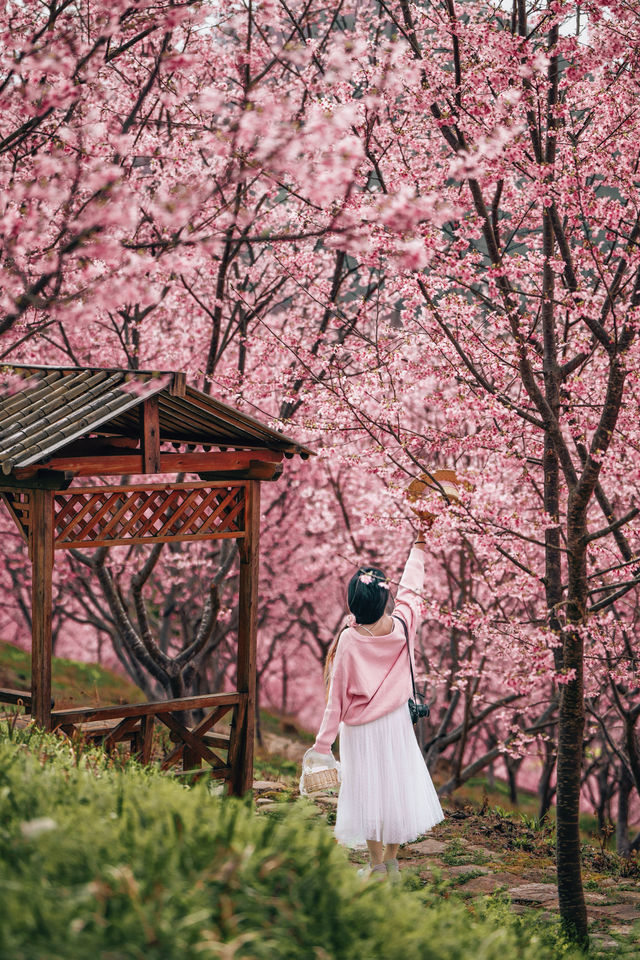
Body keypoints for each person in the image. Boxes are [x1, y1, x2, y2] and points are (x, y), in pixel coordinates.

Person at [306, 534, 444, 880]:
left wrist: (322, 746)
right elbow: (412, 588)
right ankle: (393, 864)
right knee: (396, 787)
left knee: (367, 791)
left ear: (353, 603)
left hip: (360, 729)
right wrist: (419, 547)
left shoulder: (349, 641)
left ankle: (376, 864)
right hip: (396, 721)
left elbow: (335, 700)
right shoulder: (402, 626)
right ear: (385, 599)